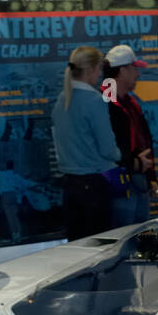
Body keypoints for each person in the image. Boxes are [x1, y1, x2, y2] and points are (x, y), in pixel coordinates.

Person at [51, 44, 121, 241]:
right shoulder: (94, 101)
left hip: (71, 187)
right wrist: (122, 155)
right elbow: (108, 149)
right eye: (99, 69)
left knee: (77, 249)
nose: (100, 75)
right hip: (94, 187)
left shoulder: (62, 99)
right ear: (90, 70)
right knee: (99, 249)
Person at [104, 44, 156, 227]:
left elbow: (144, 139)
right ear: (122, 70)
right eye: (134, 69)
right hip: (119, 182)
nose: (137, 74)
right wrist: (132, 162)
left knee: (139, 234)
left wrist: (151, 176)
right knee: (121, 235)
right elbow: (107, 147)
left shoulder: (130, 103)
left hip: (137, 179)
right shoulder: (106, 103)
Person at [0, 160, 37, 240]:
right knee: (14, 215)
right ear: (13, 167)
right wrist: (37, 184)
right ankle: (18, 233)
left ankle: (14, 234)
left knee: (10, 216)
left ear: (6, 166)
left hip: (6, 196)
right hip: (15, 196)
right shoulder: (16, 176)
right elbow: (27, 182)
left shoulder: (2, 174)